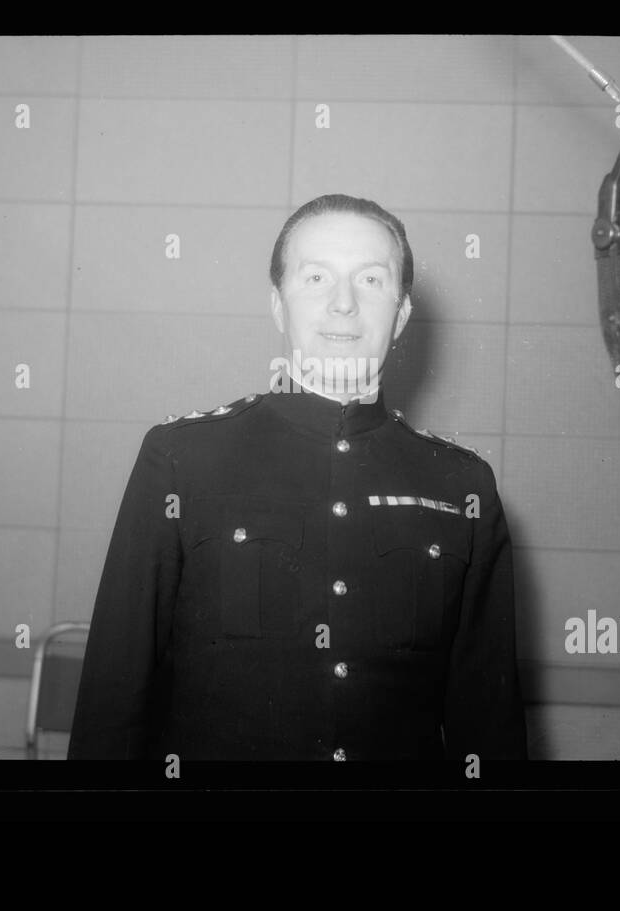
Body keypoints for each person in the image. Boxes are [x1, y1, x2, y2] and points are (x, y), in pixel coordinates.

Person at [67, 193, 527, 761]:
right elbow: (113, 696)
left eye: (371, 281)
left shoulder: (462, 487)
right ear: (278, 306)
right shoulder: (182, 459)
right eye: (315, 278)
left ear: (402, 314)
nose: (343, 305)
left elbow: (489, 722)